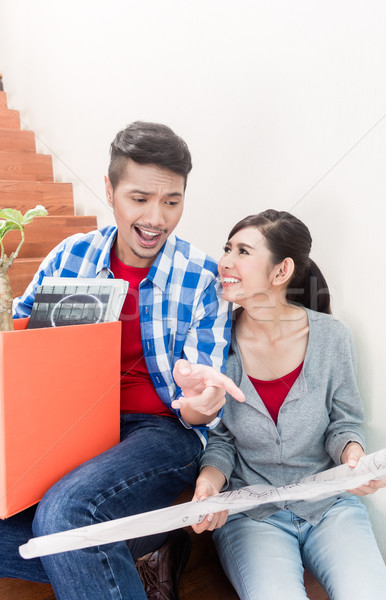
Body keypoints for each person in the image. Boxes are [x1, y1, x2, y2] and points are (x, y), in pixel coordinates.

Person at [0, 121, 244, 600]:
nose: (156, 218)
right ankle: (144, 547)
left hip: (159, 431)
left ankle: (128, 548)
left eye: (172, 201)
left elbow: (194, 410)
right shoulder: (72, 254)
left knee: (64, 514)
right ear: (109, 190)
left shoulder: (201, 280)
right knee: (63, 530)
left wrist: (203, 402)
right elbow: (20, 341)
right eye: (140, 199)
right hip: (69, 422)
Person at [185, 209, 386, 600]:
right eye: (227, 248)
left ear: (281, 271)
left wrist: (354, 458)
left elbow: (344, 422)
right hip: (251, 514)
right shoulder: (217, 343)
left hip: (331, 505)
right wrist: (209, 484)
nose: (226, 261)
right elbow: (220, 439)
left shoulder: (332, 337)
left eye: (243, 251)